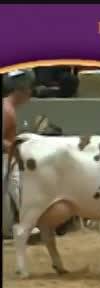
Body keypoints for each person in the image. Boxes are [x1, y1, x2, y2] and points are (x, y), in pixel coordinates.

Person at [2, 70, 40, 239]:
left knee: (13, 191)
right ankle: (16, 228)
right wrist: (16, 145)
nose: (31, 92)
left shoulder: (8, 108)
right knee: (15, 190)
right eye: (29, 88)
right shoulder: (6, 110)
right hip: (5, 159)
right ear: (21, 89)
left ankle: (9, 229)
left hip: (8, 158)